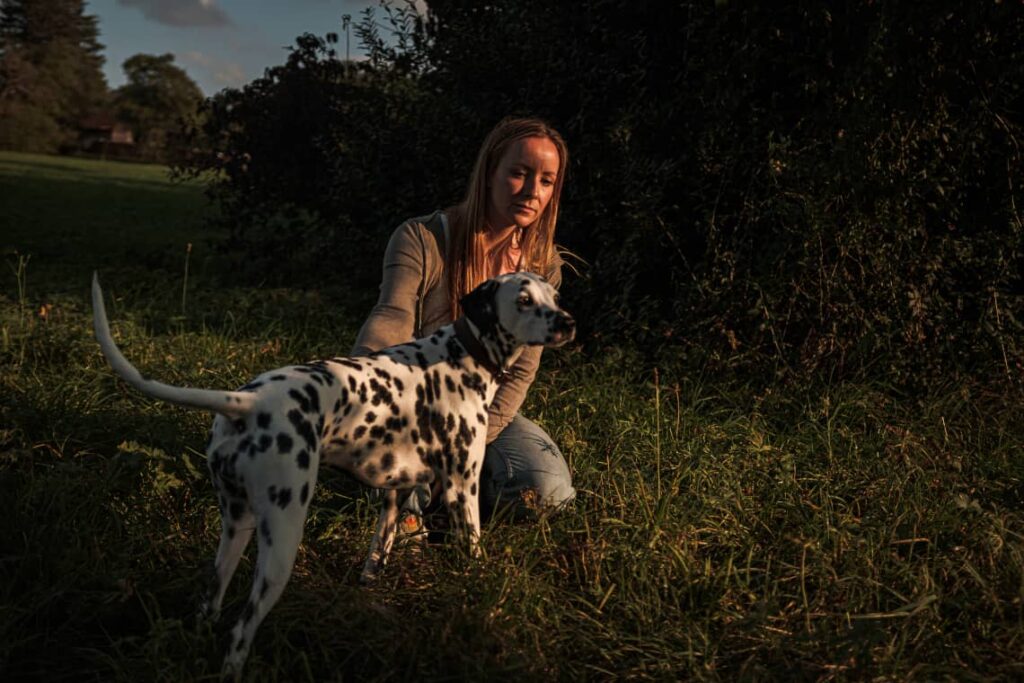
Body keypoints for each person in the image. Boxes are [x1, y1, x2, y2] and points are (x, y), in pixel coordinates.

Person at [351, 116, 576, 532]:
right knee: (404, 482)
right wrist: (364, 390)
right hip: (412, 400)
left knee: (547, 491)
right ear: (490, 172)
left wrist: (470, 443)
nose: (532, 191)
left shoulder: (544, 266)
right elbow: (391, 319)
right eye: (519, 173)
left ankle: (453, 493)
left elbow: (523, 369)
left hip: (484, 411)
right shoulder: (423, 237)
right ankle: (408, 508)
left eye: (546, 181)